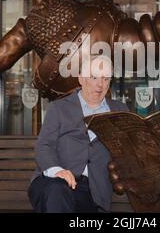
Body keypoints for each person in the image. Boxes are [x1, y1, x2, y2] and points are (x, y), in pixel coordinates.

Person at [28, 55, 129, 212]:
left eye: (106, 79)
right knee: (58, 191)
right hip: (52, 180)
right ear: (81, 79)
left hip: (93, 190)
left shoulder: (120, 111)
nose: (100, 85)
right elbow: (44, 145)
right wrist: (57, 171)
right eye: (94, 77)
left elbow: (131, 149)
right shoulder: (59, 108)